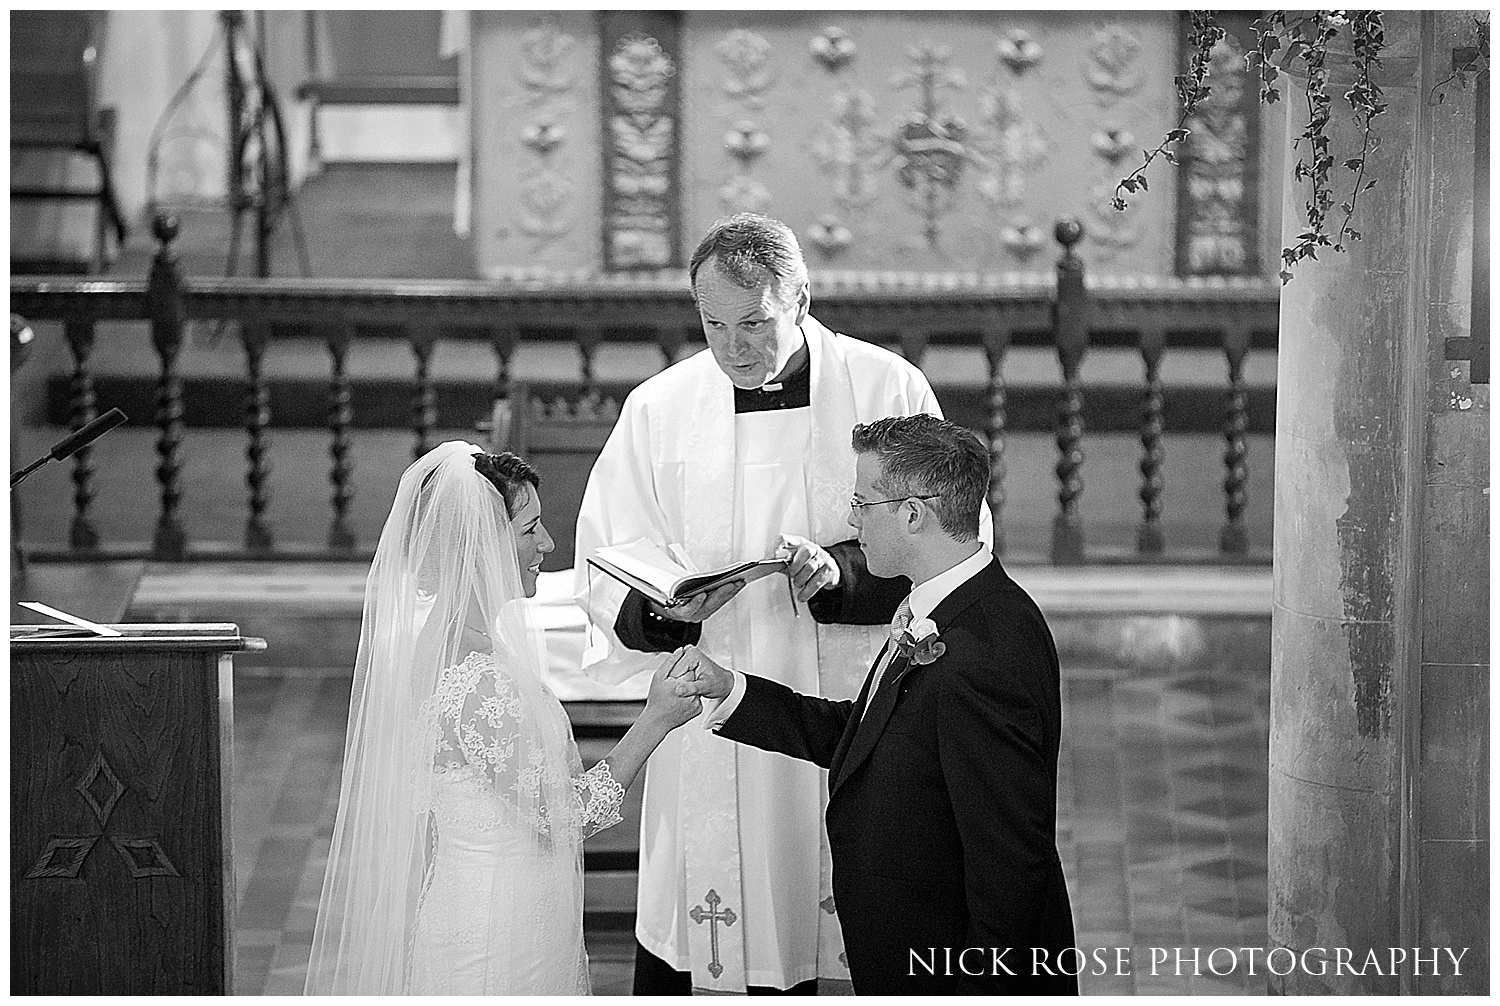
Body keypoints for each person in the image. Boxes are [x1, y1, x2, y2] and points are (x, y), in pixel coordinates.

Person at [573, 212, 990, 993]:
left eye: (754, 322)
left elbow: (954, 541)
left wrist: (839, 575)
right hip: (709, 706)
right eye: (713, 323)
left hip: (848, 696)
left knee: (853, 907)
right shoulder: (659, 407)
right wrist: (666, 611)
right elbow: (605, 555)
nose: (733, 346)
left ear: (801, 298)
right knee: (716, 916)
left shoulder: (887, 387)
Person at [674, 414, 1077, 994]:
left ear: (914, 513)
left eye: (863, 503)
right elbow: (865, 736)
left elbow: (1010, 865)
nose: (850, 519)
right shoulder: (937, 608)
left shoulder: (985, 651)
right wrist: (730, 687)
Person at [305, 441, 704, 995]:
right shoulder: (477, 678)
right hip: (499, 933)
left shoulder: (447, 644)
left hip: (486, 904)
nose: (547, 543)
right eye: (530, 528)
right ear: (480, 544)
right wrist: (654, 719)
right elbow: (564, 817)